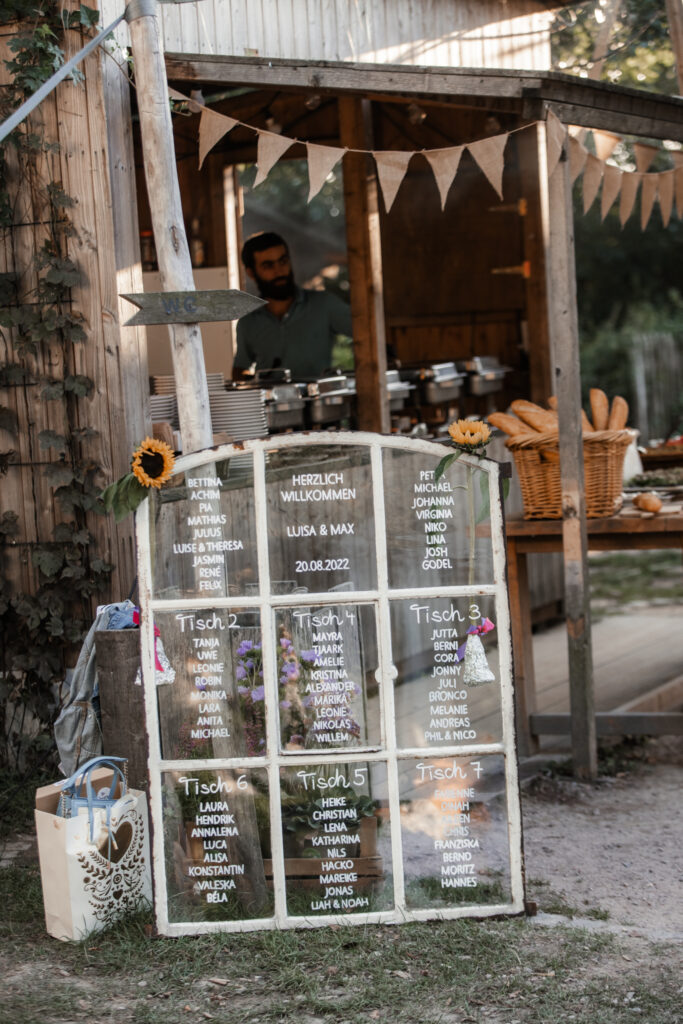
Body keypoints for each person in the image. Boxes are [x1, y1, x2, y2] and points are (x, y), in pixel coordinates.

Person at [234, 231, 352, 380]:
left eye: (283, 261)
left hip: (320, 395)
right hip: (270, 395)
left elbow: (367, 333)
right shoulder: (248, 323)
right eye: (268, 266)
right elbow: (240, 370)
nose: (279, 271)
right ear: (251, 273)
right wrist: (253, 383)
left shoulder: (324, 304)